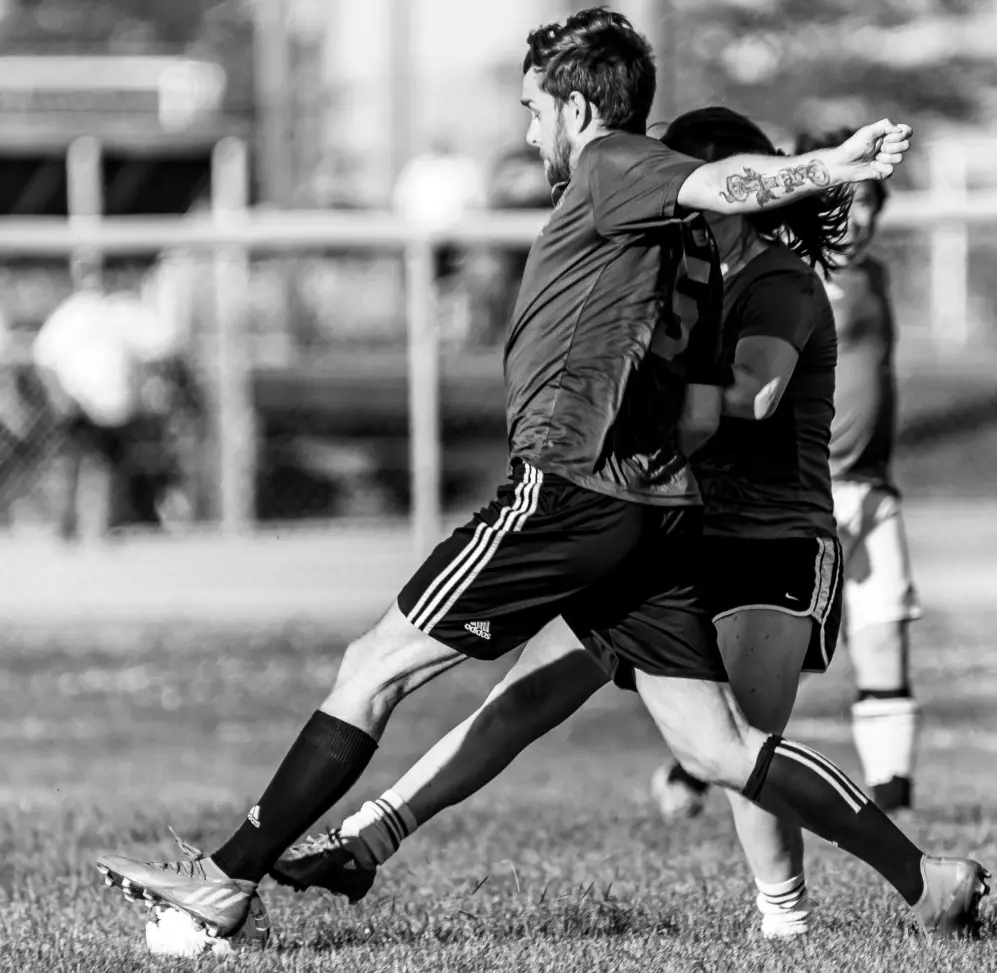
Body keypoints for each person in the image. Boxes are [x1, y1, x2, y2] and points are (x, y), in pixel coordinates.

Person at [97, 10, 979, 945]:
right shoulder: (668, 236)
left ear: (576, 105)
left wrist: (824, 167)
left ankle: (227, 877)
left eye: (532, 109)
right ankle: (923, 878)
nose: (526, 133)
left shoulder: (614, 165)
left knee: (373, 666)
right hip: (649, 503)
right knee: (713, 745)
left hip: (568, 486)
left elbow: (724, 182)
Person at [261, 108, 951, 941]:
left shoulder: (777, 277)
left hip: (770, 542)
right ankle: (369, 836)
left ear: (730, 185)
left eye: (681, 174)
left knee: (739, 746)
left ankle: (792, 925)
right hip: (675, 533)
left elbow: (754, 395)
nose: (665, 189)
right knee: (526, 695)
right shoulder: (673, 271)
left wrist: (646, 403)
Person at [655, 131, 921, 821]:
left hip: (871, 487)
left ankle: (894, 795)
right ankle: (699, 761)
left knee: (884, 631)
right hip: (807, 496)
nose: (860, 217)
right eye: (848, 200)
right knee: (759, 671)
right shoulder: (788, 277)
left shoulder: (871, 274)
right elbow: (755, 390)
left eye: (871, 203)